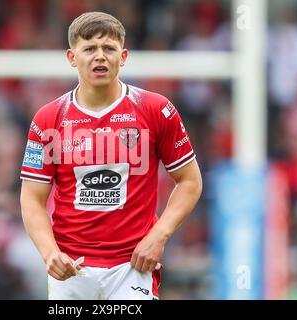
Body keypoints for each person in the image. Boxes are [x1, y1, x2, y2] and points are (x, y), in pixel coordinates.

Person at [20, 11, 202, 300]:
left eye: (109, 48)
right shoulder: (49, 118)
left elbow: (190, 181)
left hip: (132, 265)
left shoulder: (155, 110)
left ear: (124, 56)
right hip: (72, 268)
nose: (99, 57)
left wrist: (159, 236)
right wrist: (49, 253)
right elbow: (32, 197)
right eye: (89, 49)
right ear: (71, 57)